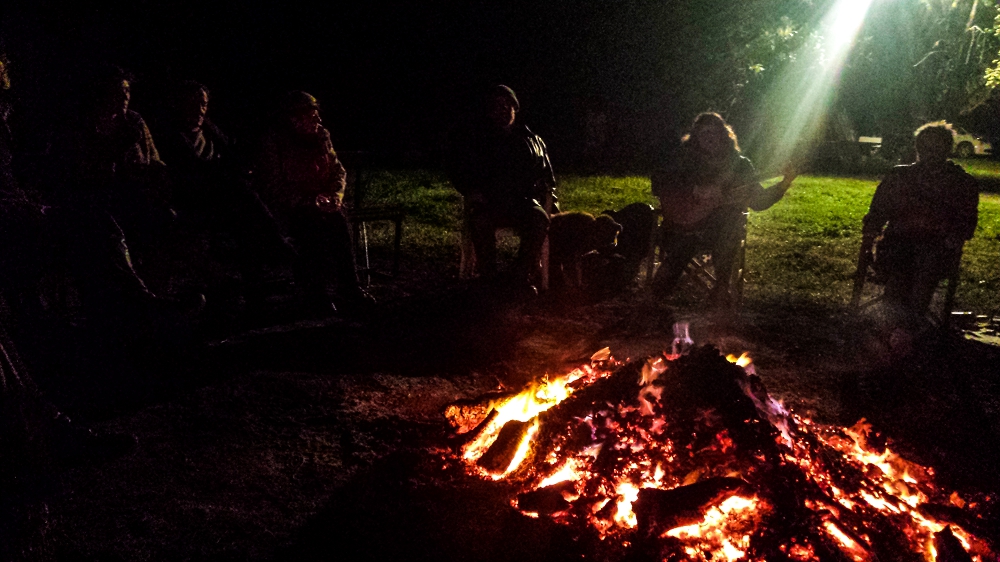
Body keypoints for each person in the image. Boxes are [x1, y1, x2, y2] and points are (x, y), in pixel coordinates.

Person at [651, 112, 797, 307]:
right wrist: (695, 189)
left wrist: (784, 183)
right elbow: (659, 181)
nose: (710, 137)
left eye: (715, 132)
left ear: (724, 135)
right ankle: (661, 292)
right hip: (680, 228)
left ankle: (721, 287)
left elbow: (758, 202)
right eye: (704, 133)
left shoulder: (740, 165)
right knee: (688, 239)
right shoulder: (682, 159)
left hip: (717, 233)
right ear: (695, 137)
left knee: (729, 219)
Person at [254, 91, 372, 316]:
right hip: (290, 206)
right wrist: (307, 201)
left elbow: (338, 170)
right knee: (310, 228)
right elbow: (272, 186)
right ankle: (314, 293)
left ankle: (349, 287)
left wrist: (336, 195)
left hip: (322, 202)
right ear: (294, 118)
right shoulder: (275, 142)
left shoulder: (321, 137)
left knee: (338, 221)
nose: (317, 120)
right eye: (311, 114)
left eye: (317, 114)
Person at [860, 121, 979, 317]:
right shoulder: (899, 176)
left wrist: (951, 236)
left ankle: (904, 322)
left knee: (924, 262)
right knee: (901, 262)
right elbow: (878, 212)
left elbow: (966, 224)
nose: (930, 153)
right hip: (897, 245)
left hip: (936, 248)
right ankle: (900, 322)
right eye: (925, 147)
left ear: (947, 149)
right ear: (918, 148)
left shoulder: (961, 183)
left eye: (936, 148)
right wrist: (871, 232)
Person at [448, 85, 555, 284]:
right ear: (490, 110)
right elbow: (459, 169)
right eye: (498, 105)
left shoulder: (531, 140)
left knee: (539, 219)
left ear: (515, 108)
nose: (503, 109)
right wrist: (472, 191)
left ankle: (520, 275)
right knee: (479, 221)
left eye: (508, 105)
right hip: (490, 201)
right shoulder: (477, 140)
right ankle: (489, 277)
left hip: (523, 201)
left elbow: (547, 178)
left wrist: (549, 203)